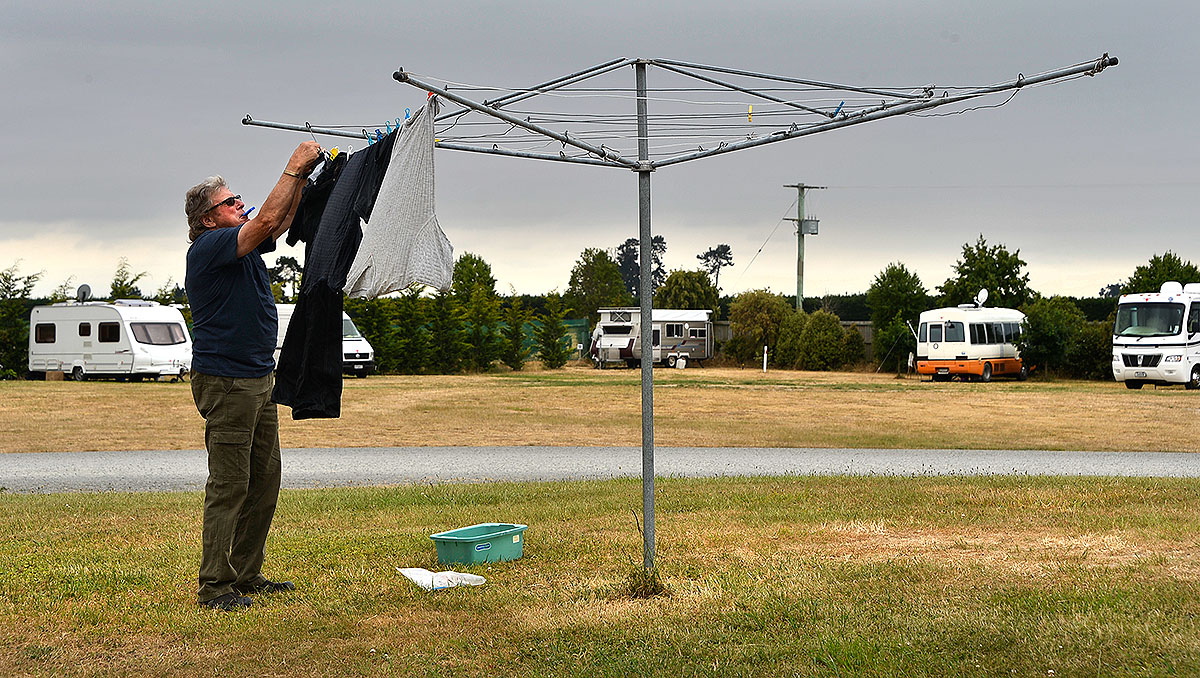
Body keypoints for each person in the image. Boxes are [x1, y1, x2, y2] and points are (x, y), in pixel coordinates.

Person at [183, 141, 323, 611]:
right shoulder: (209, 247)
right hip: (227, 383)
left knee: (264, 482)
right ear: (208, 220)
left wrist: (303, 181)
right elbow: (264, 221)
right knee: (230, 485)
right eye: (230, 202)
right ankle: (214, 586)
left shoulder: (238, 246)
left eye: (238, 197)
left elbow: (277, 222)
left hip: (258, 379)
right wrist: (292, 166)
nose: (240, 204)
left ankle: (245, 574)